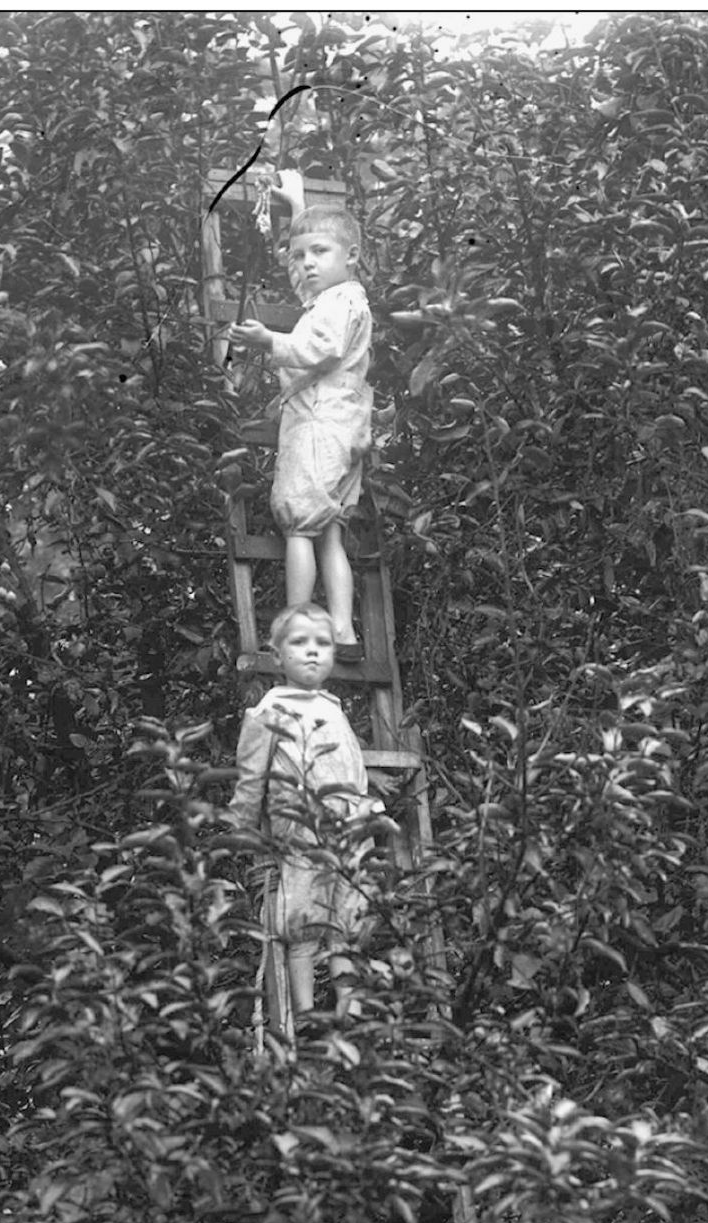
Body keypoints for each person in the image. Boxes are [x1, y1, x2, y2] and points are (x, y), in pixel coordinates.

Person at [227, 603, 385, 1018]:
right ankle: (306, 1011)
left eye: (323, 644)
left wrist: (367, 810)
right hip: (303, 830)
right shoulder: (269, 711)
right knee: (303, 920)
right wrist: (241, 829)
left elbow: (348, 768)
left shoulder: (333, 708)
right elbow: (250, 777)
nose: (313, 652)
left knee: (348, 920)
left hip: (350, 828)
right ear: (278, 656)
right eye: (300, 643)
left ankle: (348, 1012)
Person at [228, 207, 372, 648]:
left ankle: (296, 626)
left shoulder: (341, 301)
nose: (306, 263)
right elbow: (303, 272)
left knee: (297, 525)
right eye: (298, 255)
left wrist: (269, 341)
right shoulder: (334, 297)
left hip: (320, 423)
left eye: (319, 252)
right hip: (340, 420)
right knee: (328, 531)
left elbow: (320, 348)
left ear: (351, 257)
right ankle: (342, 628)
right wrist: (293, 206)